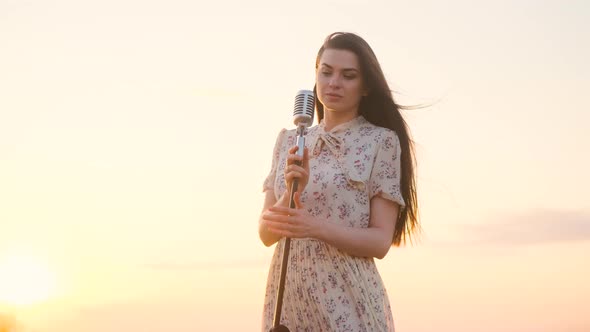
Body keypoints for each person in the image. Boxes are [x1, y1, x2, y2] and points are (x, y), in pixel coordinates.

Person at [259, 32, 420, 332]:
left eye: (348, 76)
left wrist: (314, 227)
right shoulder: (290, 140)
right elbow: (266, 234)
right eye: (326, 72)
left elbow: (381, 241)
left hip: (347, 299)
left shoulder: (380, 142)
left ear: (366, 86)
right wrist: (292, 193)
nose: (334, 83)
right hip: (289, 299)